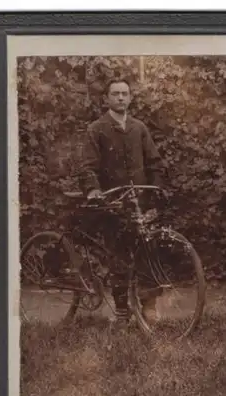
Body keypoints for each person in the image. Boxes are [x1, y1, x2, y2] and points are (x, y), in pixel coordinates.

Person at [79, 78, 166, 329]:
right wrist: (94, 190)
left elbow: (154, 162)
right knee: (117, 255)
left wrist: (156, 189)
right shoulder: (96, 129)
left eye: (124, 94)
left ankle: (148, 305)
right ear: (106, 98)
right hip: (112, 203)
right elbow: (87, 166)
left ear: (130, 98)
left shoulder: (139, 128)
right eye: (115, 94)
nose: (120, 98)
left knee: (148, 251)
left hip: (139, 200)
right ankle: (121, 311)